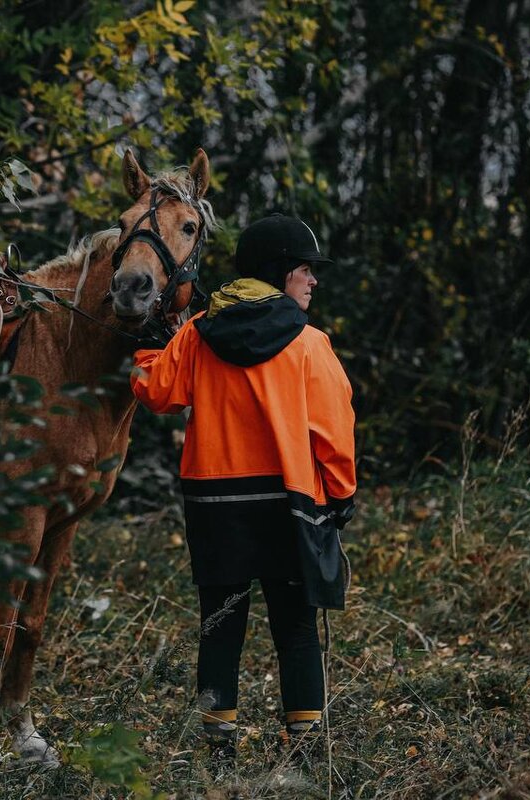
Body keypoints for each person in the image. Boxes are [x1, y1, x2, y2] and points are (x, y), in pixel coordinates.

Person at [130, 213, 357, 765]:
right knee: (297, 630)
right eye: (306, 269)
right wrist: (340, 501)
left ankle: (217, 756)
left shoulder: (196, 334)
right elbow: (335, 436)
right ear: (280, 273)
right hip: (289, 504)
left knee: (220, 626)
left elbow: (155, 392)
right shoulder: (310, 344)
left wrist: (146, 347)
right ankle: (304, 758)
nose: (313, 280)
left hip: (215, 507)